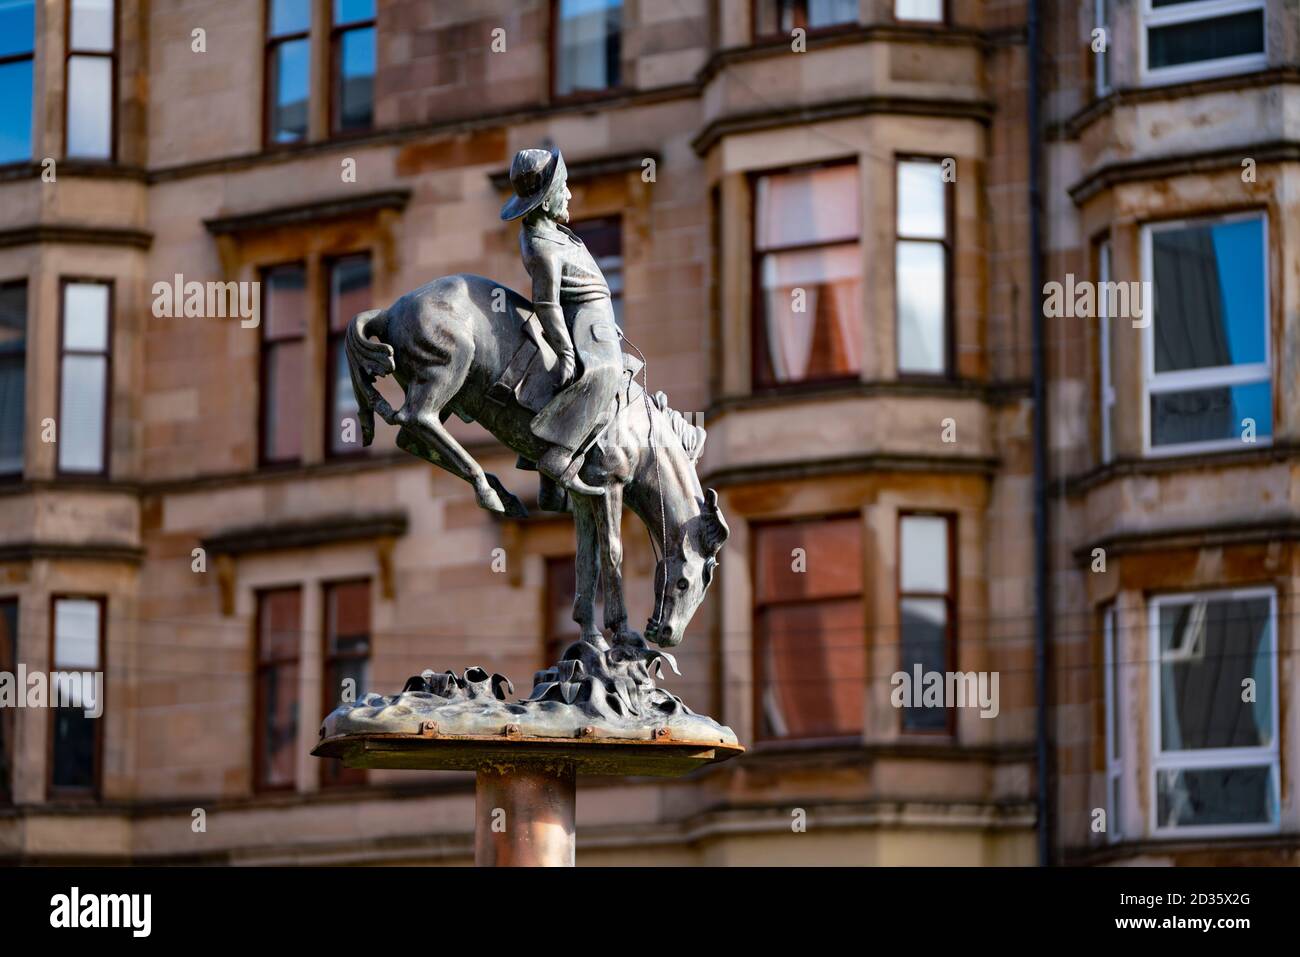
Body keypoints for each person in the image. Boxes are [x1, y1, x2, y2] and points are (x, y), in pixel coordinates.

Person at [500, 147, 624, 505]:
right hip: (581, 317)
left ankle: (555, 476)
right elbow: (547, 303)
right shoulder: (541, 247)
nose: (568, 194)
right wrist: (567, 351)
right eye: (562, 188)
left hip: (597, 317)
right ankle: (557, 456)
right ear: (543, 200)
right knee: (607, 370)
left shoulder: (552, 230)